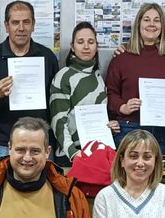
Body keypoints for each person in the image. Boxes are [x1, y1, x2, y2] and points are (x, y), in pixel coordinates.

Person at [0, 0, 59, 160]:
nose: (21, 28)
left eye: (26, 22)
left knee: (43, 185)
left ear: (33, 25)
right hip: (5, 144)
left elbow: (55, 102)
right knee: (6, 186)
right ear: (7, 26)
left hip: (40, 142)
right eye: (15, 22)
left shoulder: (47, 57)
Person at [106, 2, 165, 157]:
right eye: (146, 19)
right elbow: (110, 93)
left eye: (156, 20)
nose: (151, 24)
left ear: (162, 26)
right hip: (129, 127)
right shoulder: (122, 57)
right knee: (129, 178)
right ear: (138, 24)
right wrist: (122, 107)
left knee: (164, 178)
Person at [49, 21, 116, 162]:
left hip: (98, 152)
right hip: (72, 155)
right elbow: (58, 121)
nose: (86, 46)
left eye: (91, 42)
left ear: (96, 47)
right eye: (80, 42)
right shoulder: (64, 76)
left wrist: (110, 126)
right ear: (73, 47)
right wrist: (73, 153)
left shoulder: (98, 76)